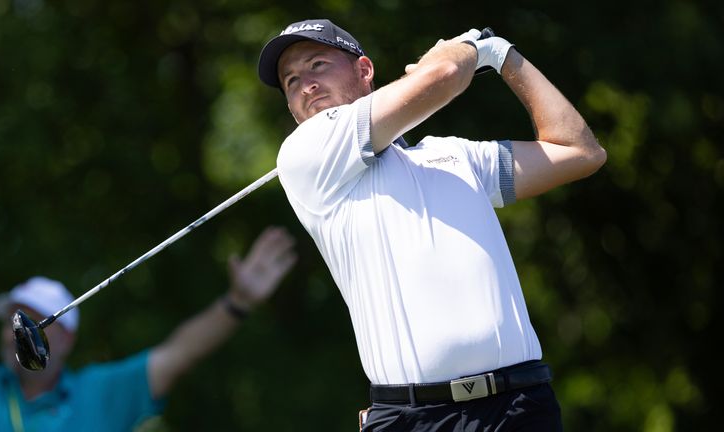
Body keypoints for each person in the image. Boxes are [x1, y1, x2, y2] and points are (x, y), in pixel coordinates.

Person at [257, 19, 606, 431]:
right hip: (414, 418)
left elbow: (580, 151)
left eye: (317, 65)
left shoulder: (455, 156)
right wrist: (474, 49)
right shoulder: (304, 154)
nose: (306, 85)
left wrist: (505, 56)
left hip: (519, 407)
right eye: (291, 80)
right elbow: (444, 75)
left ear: (364, 71)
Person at [0, 226, 297, 431]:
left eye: (31, 323)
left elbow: (176, 356)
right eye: (12, 322)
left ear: (66, 338)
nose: (13, 335)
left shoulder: (98, 394)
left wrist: (237, 302)